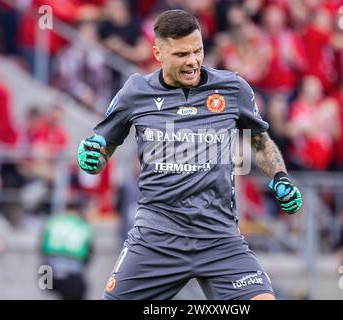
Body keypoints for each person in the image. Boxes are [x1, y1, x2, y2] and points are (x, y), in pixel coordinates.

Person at [77, 9, 302, 300]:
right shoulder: (135, 92)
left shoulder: (232, 89)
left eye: (198, 51)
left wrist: (281, 177)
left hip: (219, 236)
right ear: (158, 53)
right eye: (182, 54)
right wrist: (92, 158)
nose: (193, 61)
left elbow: (261, 142)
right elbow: (101, 148)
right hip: (156, 238)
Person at [40, 197, 93, 300]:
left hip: (47, 277)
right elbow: (88, 254)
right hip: (72, 277)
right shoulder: (83, 226)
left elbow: (41, 248)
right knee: (79, 289)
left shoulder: (52, 221)